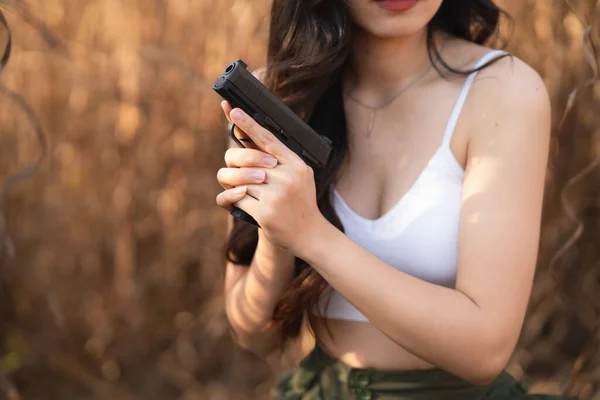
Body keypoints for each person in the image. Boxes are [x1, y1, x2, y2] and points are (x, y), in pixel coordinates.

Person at [216, 0, 562, 398]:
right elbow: (254, 334)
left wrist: (312, 236)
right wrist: (279, 233)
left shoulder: (503, 91)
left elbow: (485, 350)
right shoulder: (280, 97)